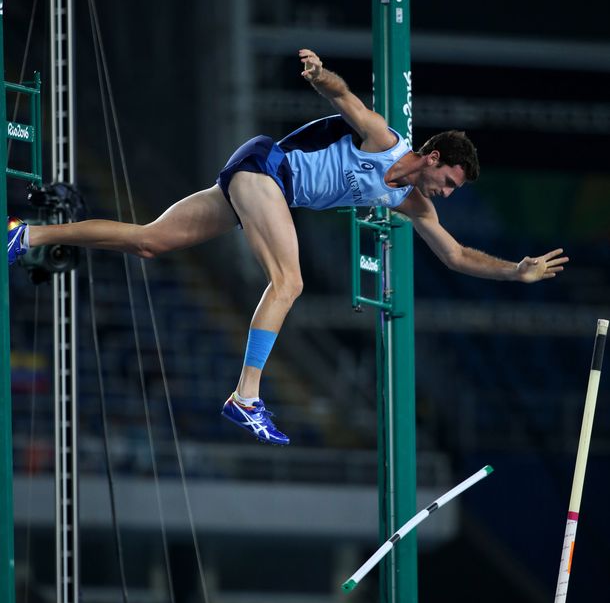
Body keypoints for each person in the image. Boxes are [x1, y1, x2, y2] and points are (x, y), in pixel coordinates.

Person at [7, 49, 569, 446]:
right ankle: (246, 396)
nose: (445, 193)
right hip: (265, 170)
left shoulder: (412, 204)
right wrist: (321, 74)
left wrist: (513, 273)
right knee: (291, 281)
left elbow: (456, 255)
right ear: (431, 156)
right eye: (447, 181)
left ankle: (26, 234)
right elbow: (344, 96)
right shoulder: (383, 140)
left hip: (260, 185)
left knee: (149, 241)